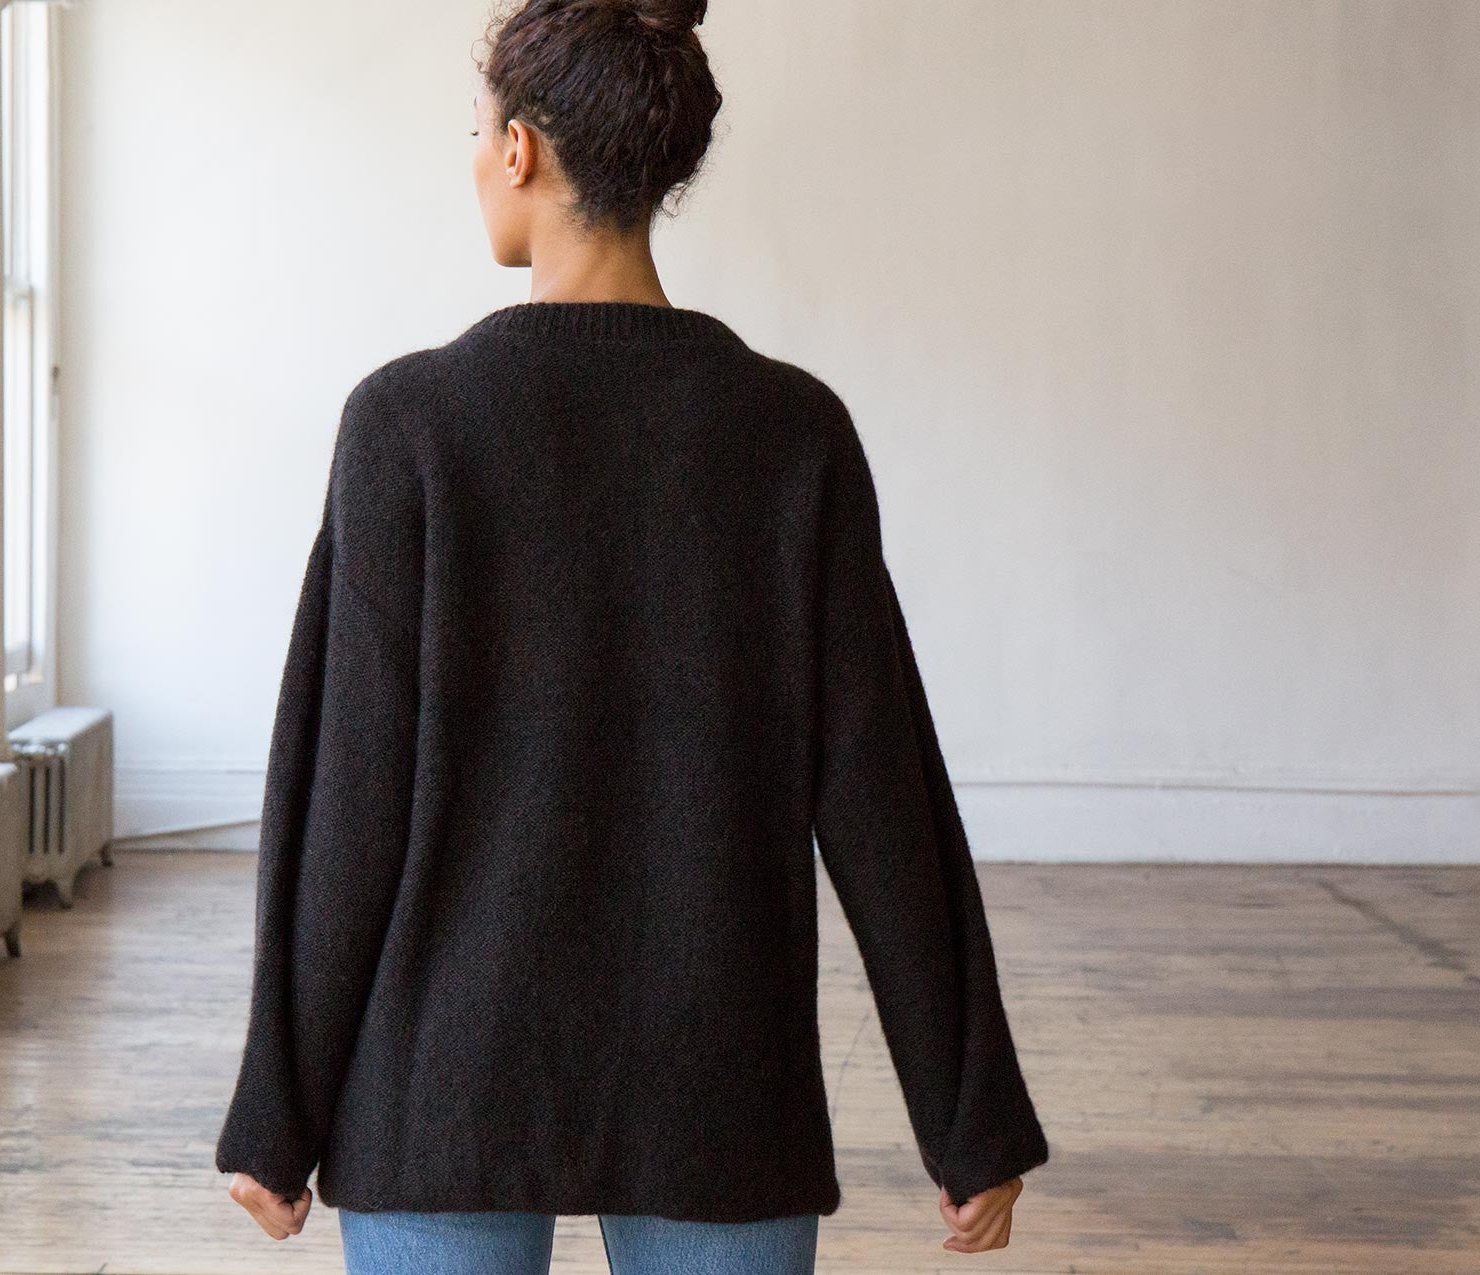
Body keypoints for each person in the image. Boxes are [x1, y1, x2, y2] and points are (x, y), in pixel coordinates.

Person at [215, 0, 1051, 1270]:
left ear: (519, 150)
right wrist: (965, 1112)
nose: (474, 157)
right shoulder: (790, 434)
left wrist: (277, 1113)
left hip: (439, 1082)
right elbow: (881, 793)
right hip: (718, 1085)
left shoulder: (407, 425)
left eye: (476, 130)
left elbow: (345, 799)